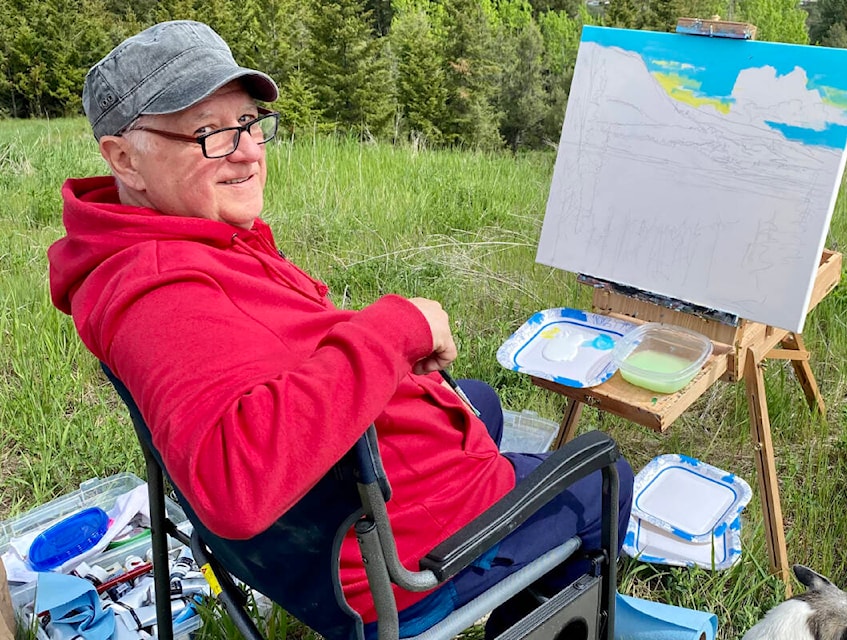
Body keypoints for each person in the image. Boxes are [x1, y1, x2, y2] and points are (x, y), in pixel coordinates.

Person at [47, 20, 634, 638]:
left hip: (340, 517)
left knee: (478, 403)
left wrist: (394, 355)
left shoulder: (160, 240)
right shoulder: (162, 293)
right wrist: (398, 326)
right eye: (209, 133)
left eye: (247, 123)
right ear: (123, 158)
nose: (247, 151)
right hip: (387, 576)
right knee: (605, 474)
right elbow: (234, 483)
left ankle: (480, 468)